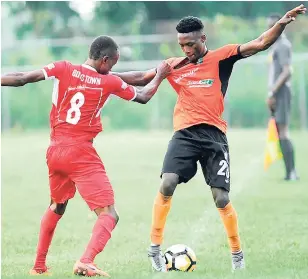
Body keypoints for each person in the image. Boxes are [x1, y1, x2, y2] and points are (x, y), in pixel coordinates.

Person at [113, 4, 306, 272]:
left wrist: (282, 23)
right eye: (181, 45)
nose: (186, 50)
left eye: (190, 44)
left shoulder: (222, 57)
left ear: (202, 39)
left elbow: (260, 43)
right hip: (185, 134)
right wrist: (103, 77)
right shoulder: (172, 65)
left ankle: (237, 253)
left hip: (215, 136)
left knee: (221, 199)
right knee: (167, 182)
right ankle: (155, 248)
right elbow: (140, 77)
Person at [1, 35, 171, 277]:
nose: (112, 68)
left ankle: (38, 266)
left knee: (57, 205)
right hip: (80, 152)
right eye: (112, 63)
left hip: (55, 150)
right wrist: (161, 76)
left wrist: (155, 71)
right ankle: (86, 260)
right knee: (109, 214)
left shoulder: (63, 68)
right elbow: (143, 95)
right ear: (104, 60)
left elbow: (21, 79)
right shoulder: (108, 82)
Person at [266, 13, 298, 181]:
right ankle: (288, 172)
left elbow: (287, 71)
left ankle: (292, 172)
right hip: (276, 94)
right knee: (279, 131)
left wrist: (272, 92)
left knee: (284, 132)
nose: (270, 28)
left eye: (273, 25)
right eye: (269, 26)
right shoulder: (274, 45)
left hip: (282, 92)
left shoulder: (283, 45)